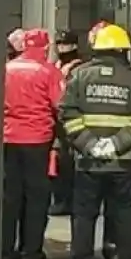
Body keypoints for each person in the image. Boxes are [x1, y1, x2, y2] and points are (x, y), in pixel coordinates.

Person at [60, 24, 131, 259]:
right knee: (124, 214)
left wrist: (89, 144)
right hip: (124, 161)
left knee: (84, 215)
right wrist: (117, 143)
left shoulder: (79, 76)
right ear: (123, 50)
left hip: (88, 160)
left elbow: (67, 114)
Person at [3, 29, 64, 259]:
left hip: (8, 140)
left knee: (9, 200)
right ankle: (32, 257)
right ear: (46, 47)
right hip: (38, 142)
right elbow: (60, 104)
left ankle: (5, 255)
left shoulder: (6, 69)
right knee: (36, 202)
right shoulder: (49, 71)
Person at [50, 29, 84, 216]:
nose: (62, 48)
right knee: (57, 161)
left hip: (70, 117)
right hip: (56, 117)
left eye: (66, 44)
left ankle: (67, 200)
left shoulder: (77, 67)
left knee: (67, 162)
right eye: (59, 44)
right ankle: (60, 198)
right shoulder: (56, 65)